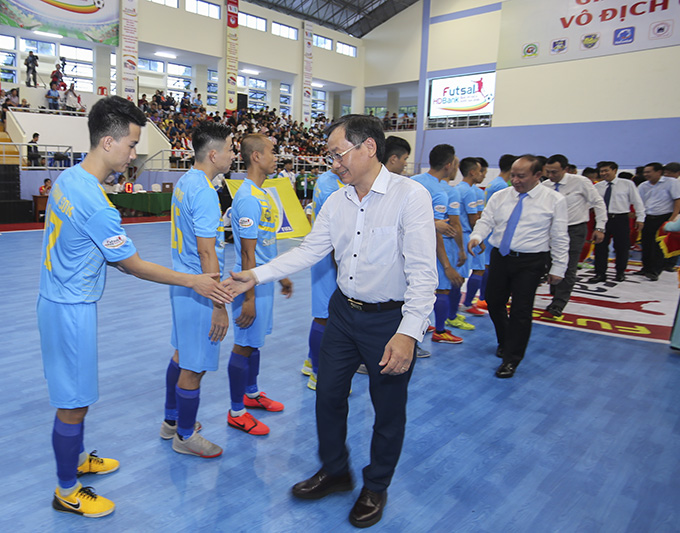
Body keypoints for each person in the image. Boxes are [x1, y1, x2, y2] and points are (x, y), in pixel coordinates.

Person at [226, 115, 437, 528]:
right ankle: (336, 471)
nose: (333, 164)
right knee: (327, 397)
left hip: (388, 321)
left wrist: (409, 333)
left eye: (337, 154)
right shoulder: (338, 201)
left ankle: (375, 486)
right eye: (330, 157)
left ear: (368, 148)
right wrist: (255, 275)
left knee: (388, 410)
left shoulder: (410, 197)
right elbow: (309, 251)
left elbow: (423, 273)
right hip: (343, 313)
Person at [37, 96, 231, 518]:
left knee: (77, 397)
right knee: (74, 401)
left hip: (58, 299)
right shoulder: (94, 202)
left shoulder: (70, 179)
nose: (134, 154)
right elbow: (132, 265)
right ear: (108, 142)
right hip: (70, 309)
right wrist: (194, 280)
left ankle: (76, 459)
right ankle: (67, 490)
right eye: (131, 145)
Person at [161, 122, 235, 458]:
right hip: (201, 290)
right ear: (214, 154)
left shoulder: (186, 182)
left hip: (183, 285)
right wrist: (219, 305)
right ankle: (185, 436)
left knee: (181, 355)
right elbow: (207, 252)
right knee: (195, 366)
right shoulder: (205, 191)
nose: (234, 155)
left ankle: (172, 421)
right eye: (231, 149)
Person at [468, 155, 569, 379]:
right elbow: (486, 220)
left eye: (521, 176)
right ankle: (505, 340)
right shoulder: (501, 196)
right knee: (493, 302)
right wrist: (477, 236)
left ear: (537, 175)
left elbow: (560, 237)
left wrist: (558, 268)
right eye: (513, 175)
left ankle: (512, 359)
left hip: (531, 261)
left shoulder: (554, 200)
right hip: (501, 257)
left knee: (521, 310)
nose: (515, 180)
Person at [227, 134, 292, 436]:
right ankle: (236, 411)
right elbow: (246, 253)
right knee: (243, 345)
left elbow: (265, 247)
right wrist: (248, 297)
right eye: (272, 152)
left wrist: (281, 274)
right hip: (249, 285)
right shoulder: (249, 198)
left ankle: (251, 394)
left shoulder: (265, 194)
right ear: (256, 156)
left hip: (263, 280)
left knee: (254, 342)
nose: (276, 156)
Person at [412, 145, 465, 344]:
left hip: (407, 248)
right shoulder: (443, 192)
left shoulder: (413, 181)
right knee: (442, 288)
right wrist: (447, 265)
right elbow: (439, 231)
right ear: (449, 165)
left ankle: (420, 326)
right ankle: (440, 331)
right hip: (431, 248)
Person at [542, 154, 607, 314]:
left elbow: (598, 203)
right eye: (548, 172)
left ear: (565, 169)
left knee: (568, 266)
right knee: (551, 264)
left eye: (555, 172)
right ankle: (555, 293)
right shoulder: (545, 185)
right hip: (551, 230)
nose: (551, 176)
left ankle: (559, 303)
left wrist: (600, 227)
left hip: (574, 229)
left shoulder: (580, 182)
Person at [300, 167, 345, 389]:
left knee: (325, 314)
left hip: (331, 256)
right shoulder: (330, 185)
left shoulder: (333, 181)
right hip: (329, 257)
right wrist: (342, 268)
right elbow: (335, 232)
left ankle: (311, 361)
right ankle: (318, 374)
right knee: (324, 316)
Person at [590, 161, 645, 283]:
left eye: (606, 170)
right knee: (600, 247)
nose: (604, 173)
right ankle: (600, 273)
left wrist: (640, 218)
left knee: (621, 247)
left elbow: (637, 202)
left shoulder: (627, 184)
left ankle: (620, 272)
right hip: (602, 219)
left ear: (615, 170)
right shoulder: (597, 187)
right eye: (601, 171)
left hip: (620, 219)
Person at [476, 154, 514, 309]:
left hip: (491, 228)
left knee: (487, 265)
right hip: (493, 229)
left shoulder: (494, 183)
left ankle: (485, 296)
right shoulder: (502, 187)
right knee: (487, 266)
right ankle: (484, 297)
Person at [637, 162, 680, 280]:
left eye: (648, 172)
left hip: (663, 217)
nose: (645, 174)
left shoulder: (671, 183)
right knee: (646, 244)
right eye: (644, 172)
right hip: (647, 217)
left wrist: (672, 219)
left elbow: (677, 201)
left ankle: (655, 271)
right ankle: (645, 268)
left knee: (658, 246)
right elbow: (639, 203)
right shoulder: (643, 186)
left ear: (659, 172)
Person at [454, 157, 486, 317]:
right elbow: (474, 219)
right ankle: (464, 305)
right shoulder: (471, 192)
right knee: (478, 269)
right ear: (472, 172)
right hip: (467, 235)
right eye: (481, 171)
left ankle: (452, 310)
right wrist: (480, 239)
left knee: (455, 275)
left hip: (456, 235)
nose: (483, 175)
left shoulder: (456, 189)